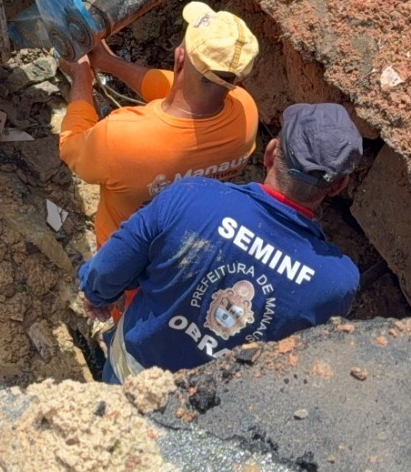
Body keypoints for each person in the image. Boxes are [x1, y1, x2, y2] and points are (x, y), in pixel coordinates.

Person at [77, 103, 363, 384]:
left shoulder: (190, 198)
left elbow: (108, 267)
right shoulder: (336, 283)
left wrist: (96, 295)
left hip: (133, 373)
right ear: (338, 185)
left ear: (271, 152)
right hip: (210, 413)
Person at [59, 2, 260, 249]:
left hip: (124, 263)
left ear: (179, 59)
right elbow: (172, 87)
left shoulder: (121, 137)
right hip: (186, 244)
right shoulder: (246, 111)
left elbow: (70, 145)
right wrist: (107, 61)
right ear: (238, 79)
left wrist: (81, 76)